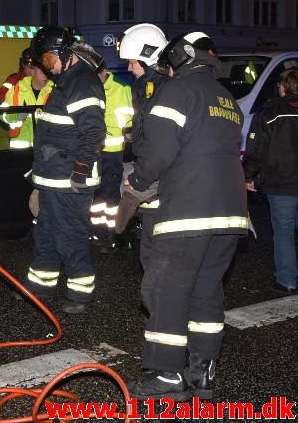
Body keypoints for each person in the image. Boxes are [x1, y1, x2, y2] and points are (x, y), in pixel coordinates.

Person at [125, 32, 249, 400]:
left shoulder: (177, 91)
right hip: (230, 212)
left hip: (187, 211)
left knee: (165, 289)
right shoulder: (225, 97)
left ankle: (165, 375)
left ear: (178, 57)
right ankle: (202, 371)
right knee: (206, 290)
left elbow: (159, 150)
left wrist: (138, 179)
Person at [22, 26, 106, 314]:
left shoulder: (81, 81)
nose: (46, 67)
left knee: (70, 235)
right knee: (45, 233)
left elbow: (94, 132)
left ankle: (80, 293)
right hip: (52, 178)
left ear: (64, 53)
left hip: (69, 180)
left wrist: (79, 172)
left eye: (47, 59)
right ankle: (40, 287)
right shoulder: (68, 80)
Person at [113, 24, 170, 262]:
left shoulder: (164, 88)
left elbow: (162, 143)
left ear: (147, 58)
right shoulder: (148, 86)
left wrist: (138, 182)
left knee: (158, 249)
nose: (128, 67)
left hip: (159, 179)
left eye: (132, 62)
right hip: (151, 176)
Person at [243, 67, 298, 295]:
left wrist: (248, 176)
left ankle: (287, 280)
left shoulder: (270, 112)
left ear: (283, 87)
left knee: (284, 232)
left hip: (281, 183)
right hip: (282, 182)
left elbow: (256, 150)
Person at [89, 59, 134, 252]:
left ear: (105, 70)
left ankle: (112, 234)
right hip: (93, 150)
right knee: (96, 195)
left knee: (110, 195)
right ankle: (98, 232)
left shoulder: (120, 87)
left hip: (111, 151)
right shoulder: (90, 86)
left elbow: (127, 120)